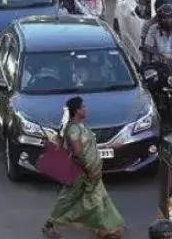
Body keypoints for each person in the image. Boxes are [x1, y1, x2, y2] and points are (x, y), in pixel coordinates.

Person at [43, 96, 124, 239]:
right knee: (68, 199)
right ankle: (50, 225)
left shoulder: (82, 126)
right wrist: (87, 170)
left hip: (92, 171)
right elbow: (78, 152)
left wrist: (110, 147)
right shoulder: (73, 129)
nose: (86, 109)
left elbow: (89, 147)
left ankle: (104, 228)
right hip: (82, 173)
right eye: (83, 107)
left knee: (99, 199)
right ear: (76, 111)